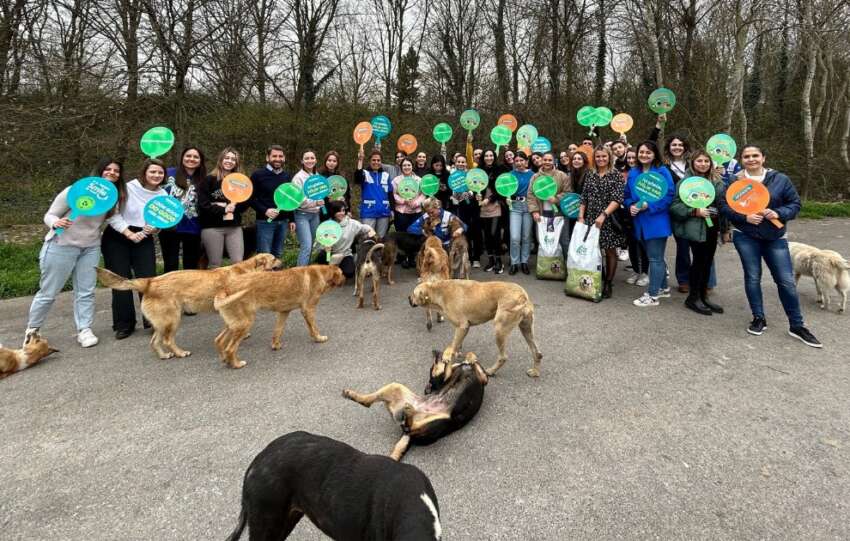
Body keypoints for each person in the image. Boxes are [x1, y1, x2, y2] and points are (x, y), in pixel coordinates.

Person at [718, 144, 821, 347]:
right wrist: (744, 217)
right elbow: (723, 205)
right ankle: (758, 318)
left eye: (755, 155)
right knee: (753, 277)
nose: (751, 159)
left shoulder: (780, 179)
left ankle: (797, 325)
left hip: (775, 237)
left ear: (763, 158)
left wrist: (779, 213)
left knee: (785, 280)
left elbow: (795, 203)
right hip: (745, 236)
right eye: (746, 156)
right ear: (742, 159)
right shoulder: (733, 181)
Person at [24, 158, 126, 348]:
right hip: (61, 245)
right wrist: (55, 223)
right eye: (108, 169)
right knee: (48, 292)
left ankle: (84, 330)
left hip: (91, 247)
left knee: (86, 291)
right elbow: (50, 215)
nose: (112, 173)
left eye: (116, 171)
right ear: (100, 171)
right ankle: (32, 330)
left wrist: (133, 233)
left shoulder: (112, 197)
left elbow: (116, 220)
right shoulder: (75, 190)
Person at [102, 159, 167, 338]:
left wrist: (154, 228)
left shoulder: (164, 196)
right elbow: (112, 214)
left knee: (148, 280)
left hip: (144, 238)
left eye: (160, 173)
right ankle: (124, 324)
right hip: (118, 235)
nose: (156, 175)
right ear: (144, 172)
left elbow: (162, 220)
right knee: (121, 280)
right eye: (152, 172)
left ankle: (152, 320)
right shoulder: (128, 187)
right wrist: (128, 233)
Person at [670, 150, 727, 316]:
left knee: (708, 261)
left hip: (712, 226)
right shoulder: (685, 182)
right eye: (699, 161)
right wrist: (694, 211)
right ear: (692, 163)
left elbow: (724, 206)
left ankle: (703, 296)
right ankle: (693, 298)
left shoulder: (717, 181)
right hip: (695, 228)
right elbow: (674, 207)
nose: (703, 164)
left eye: (706, 161)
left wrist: (725, 230)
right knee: (699, 262)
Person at [624, 141, 674, 307]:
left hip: (656, 221)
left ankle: (652, 295)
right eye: (641, 152)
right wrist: (631, 205)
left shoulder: (662, 171)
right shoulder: (633, 172)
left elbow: (669, 196)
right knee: (654, 257)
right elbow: (627, 195)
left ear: (654, 155)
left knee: (655, 259)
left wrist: (650, 206)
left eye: (648, 152)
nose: (644, 155)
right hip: (639, 222)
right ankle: (663, 288)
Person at [578, 146, 627, 299]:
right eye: (598, 156)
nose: (601, 159)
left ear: (609, 157)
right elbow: (584, 197)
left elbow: (617, 199)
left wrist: (604, 214)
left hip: (608, 218)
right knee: (594, 249)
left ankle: (608, 282)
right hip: (591, 217)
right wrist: (581, 216)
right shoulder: (590, 174)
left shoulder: (615, 175)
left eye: (604, 156)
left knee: (610, 251)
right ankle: (599, 275)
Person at [197, 147, 248, 269]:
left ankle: (235, 288)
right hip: (212, 228)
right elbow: (203, 205)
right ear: (221, 159)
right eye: (227, 158)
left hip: (234, 227)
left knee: (238, 263)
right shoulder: (209, 180)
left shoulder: (241, 181)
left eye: (233, 159)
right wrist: (223, 209)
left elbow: (245, 204)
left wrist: (234, 207)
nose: (229, 161)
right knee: (215, 264)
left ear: (237, 163)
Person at [159, 147, 205, 272]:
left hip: (193, 226)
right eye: (188, 155)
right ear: (182, 157)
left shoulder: (204, 178)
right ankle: (169, 291)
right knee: (170, 265)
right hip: (169, 225)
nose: (191, 159)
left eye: (196, 157)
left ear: (201, 160)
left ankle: (187, 291)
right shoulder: (168, 173)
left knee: (190, 266)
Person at [250, 145, 295, 259]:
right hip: (265, 222)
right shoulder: (257, 175)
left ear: (284, 158)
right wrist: (265, 210)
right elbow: (250, 198)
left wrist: (292, 219)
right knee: (264, 257)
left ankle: (277, 277)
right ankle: (263, 277)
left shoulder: (286, 176)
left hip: (283, 222)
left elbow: (289, 199)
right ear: (267, 158)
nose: (278, 159)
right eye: (274, 156)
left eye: (280, 156)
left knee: (278, 255)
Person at [528, 151, 572, 258]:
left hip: (559, 213)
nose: (547, 162)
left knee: (563, 240)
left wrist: (556, 198)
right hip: (542, 214)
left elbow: (568, 192)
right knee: (544, 240)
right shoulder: (535, 177)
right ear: (542, 161)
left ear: (554, 162)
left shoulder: (562, 176)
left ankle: (567, 266)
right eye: (545, 160)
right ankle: (546, 267)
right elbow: (530, 195)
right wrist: (534, 211)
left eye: (549, 160)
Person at [319, 200, 376, 279]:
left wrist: (372, 232)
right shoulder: (327, 225)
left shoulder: (351, 223)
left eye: (343, 210)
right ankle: (330, 270)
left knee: (349, 273)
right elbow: (319, 242)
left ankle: (336, 270)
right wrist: (325, 247)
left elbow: (365, 227)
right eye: (338, 211)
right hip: (330, 255)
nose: (342, 213)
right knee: (322, 268)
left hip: (345, 254)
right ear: (333, 212)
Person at [291, 149, 325, 266]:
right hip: (302, 215)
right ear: (302, 161)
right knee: (306, 245)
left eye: (312, 158)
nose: (310, 160)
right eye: (307, 158)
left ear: (316, 160)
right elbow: (298, 201)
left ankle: (306, 273)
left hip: (315, 215)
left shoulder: (317, 176)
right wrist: (315, 203)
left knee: (311, 246)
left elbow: (321, 193)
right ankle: (299, 275)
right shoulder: (298, 178)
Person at [448, 154, 483, 268]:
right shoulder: (452, 176)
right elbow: (450, 192)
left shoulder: (471, 175)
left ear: (466, 164)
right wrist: (455, 197)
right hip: (459, 208)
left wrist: (470, 193)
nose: (461, 164)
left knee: (475, 231)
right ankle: (465, 257)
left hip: (472, 207)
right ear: (455, 162)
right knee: (463, 232)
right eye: (458, 162)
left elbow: (477, 187)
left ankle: (476, 258)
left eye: (463, 162)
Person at [622, 147, 649, 285]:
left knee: (643, 243)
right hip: (629, 213)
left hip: (645, 214)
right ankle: (636, 270)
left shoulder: (645, 172)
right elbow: (625, 196)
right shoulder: (629, 173)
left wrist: (644, 204)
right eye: (629, 158)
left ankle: (645, 272)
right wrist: (631, 205)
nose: (631, 160)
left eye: (634, 157)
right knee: (632, 243)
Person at [391, 157, 425, 267]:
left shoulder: (419, 180)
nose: (407, 167)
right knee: (402, 235)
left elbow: (423, 194)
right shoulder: (396, 180)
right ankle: (403, 258)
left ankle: (413, 259)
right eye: (404, 165)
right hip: (401, 212)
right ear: (401, 167)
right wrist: (403, 201)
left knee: (414, 236)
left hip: (416, 212)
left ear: (412, 166)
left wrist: (415, 203)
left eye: (409, 165)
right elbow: (394, 194)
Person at [478, 149, 506, 273]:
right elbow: (474, 186)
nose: (489, 158)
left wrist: (489, 199)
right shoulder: (478, 171)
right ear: (483, 158)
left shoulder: (499, 169)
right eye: (486, 156)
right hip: (483, 208)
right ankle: (491, 260)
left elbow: (501, 189)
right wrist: (476, 196)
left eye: (491, 155)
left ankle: (499, 261)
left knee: (495, 235)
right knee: (487, 235)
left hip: (495, 206)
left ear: (494, 157)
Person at [354, 149, 393, 238]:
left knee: (381, 239)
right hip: (368, 213)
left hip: (383, 213)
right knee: (368, 239)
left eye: (378, 160)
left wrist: (392, 210)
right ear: (370, 161)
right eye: (373, 160)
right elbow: (357, 178)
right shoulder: (365, 173)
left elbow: (390, 194)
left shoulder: (385, 175)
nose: (376, 162)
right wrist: (360, 160)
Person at [507, 151, 534, 275]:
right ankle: (514, 263)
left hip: (528, 206)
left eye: (521, 160)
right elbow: (504, 189)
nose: (519, 163)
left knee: (526, 236)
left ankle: (524, 262)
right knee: (515, 237)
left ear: (526, 162)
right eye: (516, 161)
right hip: (515, 207)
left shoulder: (533, 175)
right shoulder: (510, 175)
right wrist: (506, 197)